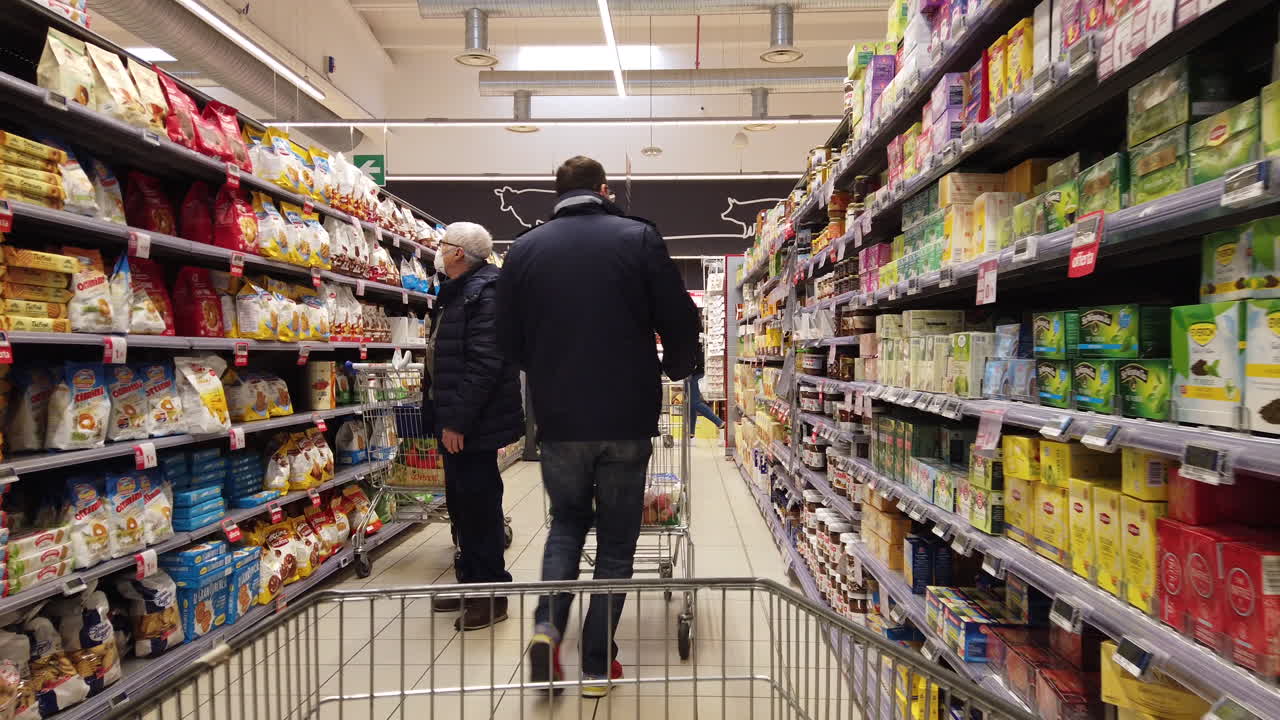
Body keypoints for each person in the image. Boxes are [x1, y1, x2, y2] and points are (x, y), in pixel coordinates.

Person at [497, 156, 700, 697]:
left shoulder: (523, 249)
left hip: (559, 418)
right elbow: (679, 317)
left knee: (566, 524)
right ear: (604, 190)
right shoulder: (638, 239)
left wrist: (542, 366)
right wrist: (677, 365)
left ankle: (547, 628)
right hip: (625, 415)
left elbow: (506, 340)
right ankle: (593, 663)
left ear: (556, 193)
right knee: (615, 542)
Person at [427, 221, 524, 631]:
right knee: (463, 508)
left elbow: (484, 364)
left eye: (442, 244)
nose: (438, 250)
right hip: (458, 420)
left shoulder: (485, 293)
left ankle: (491, 595)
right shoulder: (459, 293)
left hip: (472, 426)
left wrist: (457, 421)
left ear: (459, 254)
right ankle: (470, 583)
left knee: (480, 509)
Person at [688, 340, 725, 436]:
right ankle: (691, 431)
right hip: (695, 374)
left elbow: (698, 360)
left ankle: (718, 422)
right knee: (691, 403)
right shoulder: (697, 342)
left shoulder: (696, 344)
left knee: (695, 402)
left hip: (696, 375)